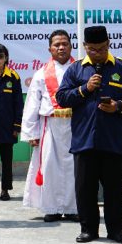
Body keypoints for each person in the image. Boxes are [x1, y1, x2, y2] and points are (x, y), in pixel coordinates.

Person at [57, 25, 122, 244]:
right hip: (84, 140)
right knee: (85, 189)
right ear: (85, 47)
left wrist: (118, 106)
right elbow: (62, 98)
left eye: (102, 48)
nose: (97, 53)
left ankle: (115, 230)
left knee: (115, 189)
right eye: (92, 49)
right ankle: (88, 229)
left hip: (113, 140)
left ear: (108, 44)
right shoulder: (75, 70)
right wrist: (85, 89)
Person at [21, 29, 79, 222]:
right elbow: (32, 103)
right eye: (57, 44)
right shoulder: (40, 74)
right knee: (49, 166)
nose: (61, 47)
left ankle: (73, 208)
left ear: (71, 46)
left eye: (65, 43)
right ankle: (52, 207)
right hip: (50, 126)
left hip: (76, 126)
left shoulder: (80, 69)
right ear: (50, 48)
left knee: (74, 167)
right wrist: (31, 132)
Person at [0, 43, 23, 201]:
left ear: (6, 58)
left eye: (1, 56)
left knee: (7, 161)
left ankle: (5, 189)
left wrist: (17, 125)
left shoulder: (13, 77)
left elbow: (18, 103)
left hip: (8, 127)